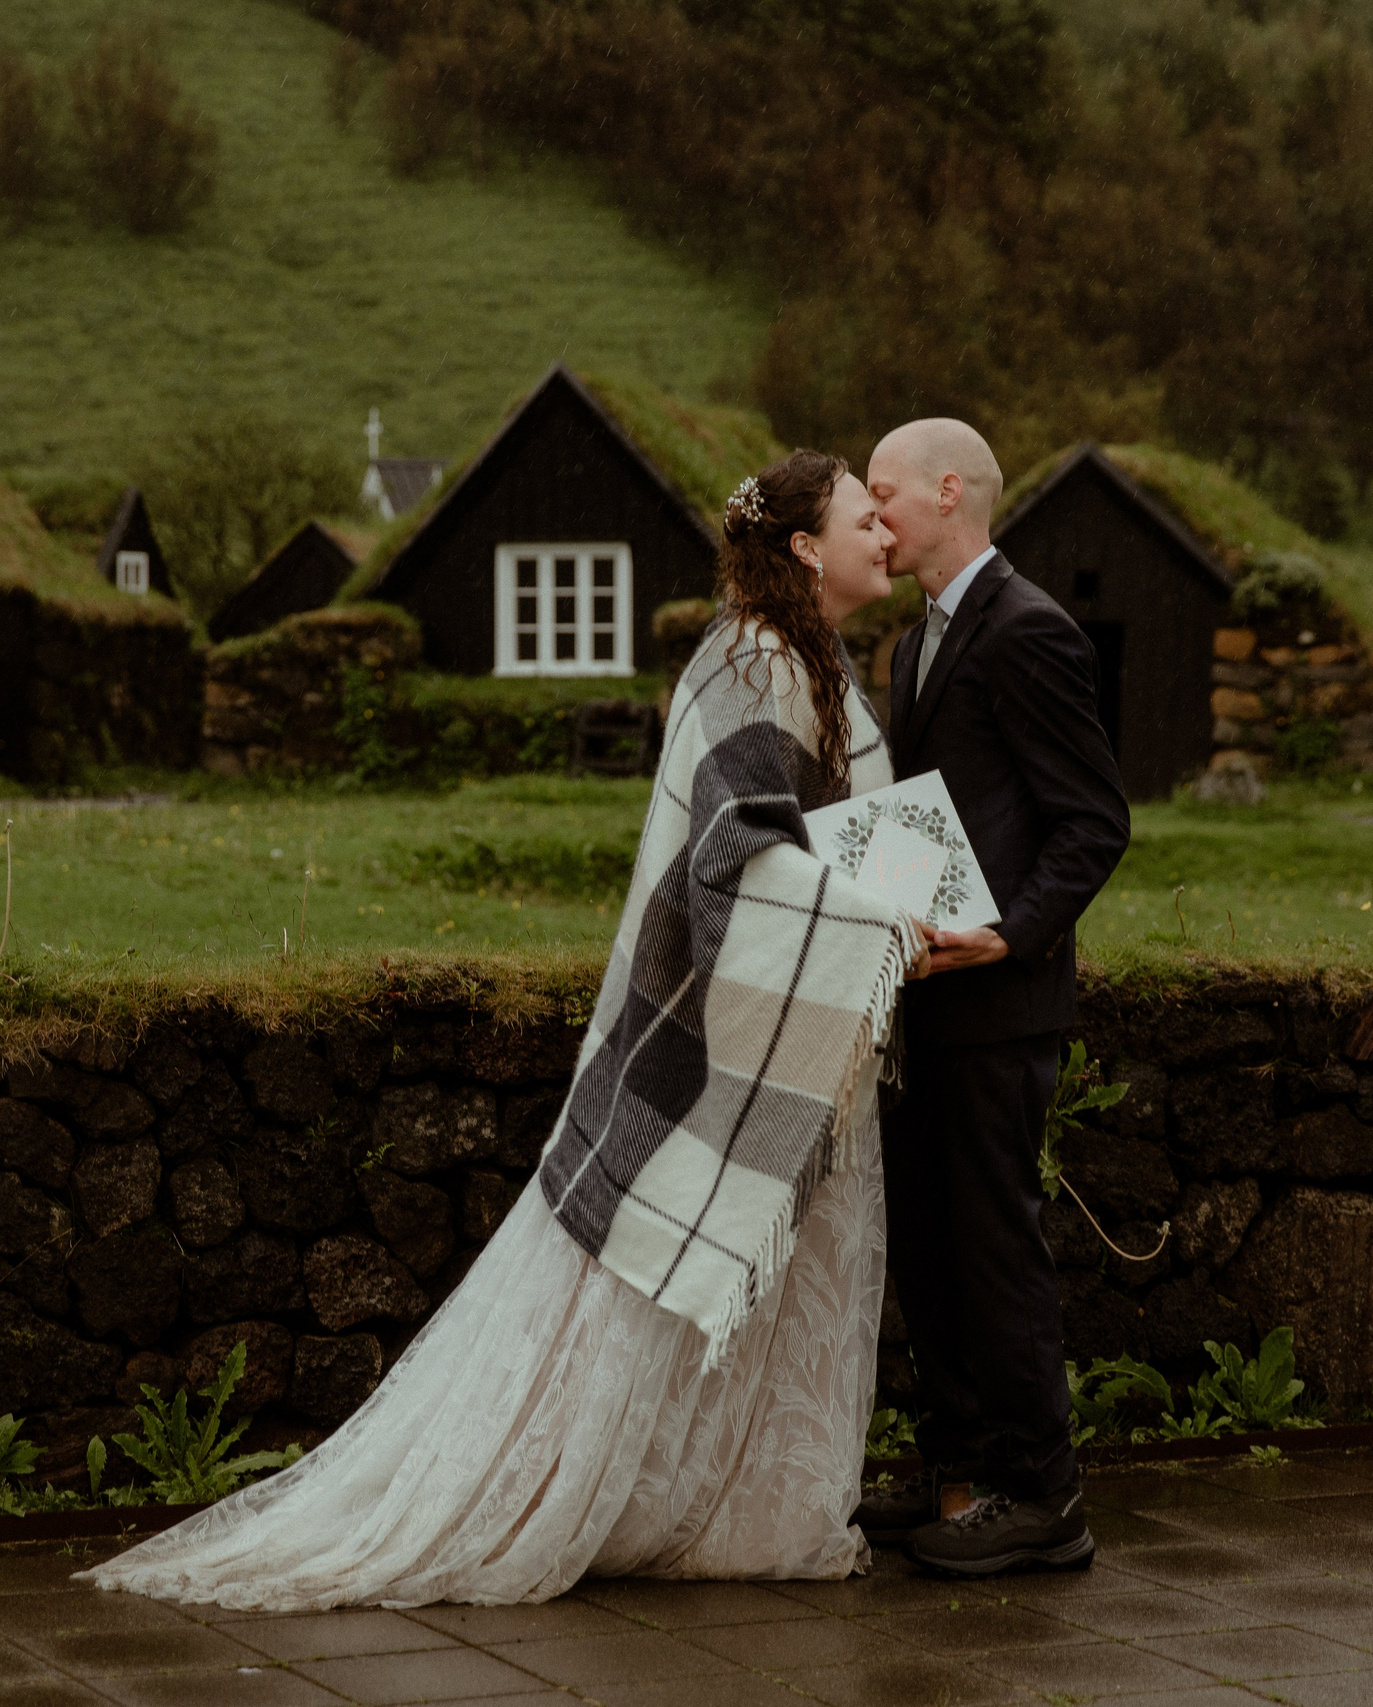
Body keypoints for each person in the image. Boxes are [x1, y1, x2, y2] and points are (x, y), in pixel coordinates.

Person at [84, 451, 928, 1610]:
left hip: (792, 1041)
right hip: (709, 1035)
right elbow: (735, 854)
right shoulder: (749, 662)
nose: (885, 534)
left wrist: (916, 907)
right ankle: (562, 1499)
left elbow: (843, 837)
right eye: (860, 519)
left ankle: (728, 1503)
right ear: (800, 548)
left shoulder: (817, 663)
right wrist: (881, 919)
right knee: (627, 1306)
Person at [856, 418, 1131, 1577]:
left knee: (994, 1253)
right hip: (925, 1003)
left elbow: (1093, 823)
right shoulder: (919, 640)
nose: (873, 518)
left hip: (1000, 1005)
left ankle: (1045, 1498)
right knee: (930, 1249)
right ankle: (961, 1473)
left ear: (949, 490)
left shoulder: (1027, 630)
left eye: (884, 495)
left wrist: (1009, 935)